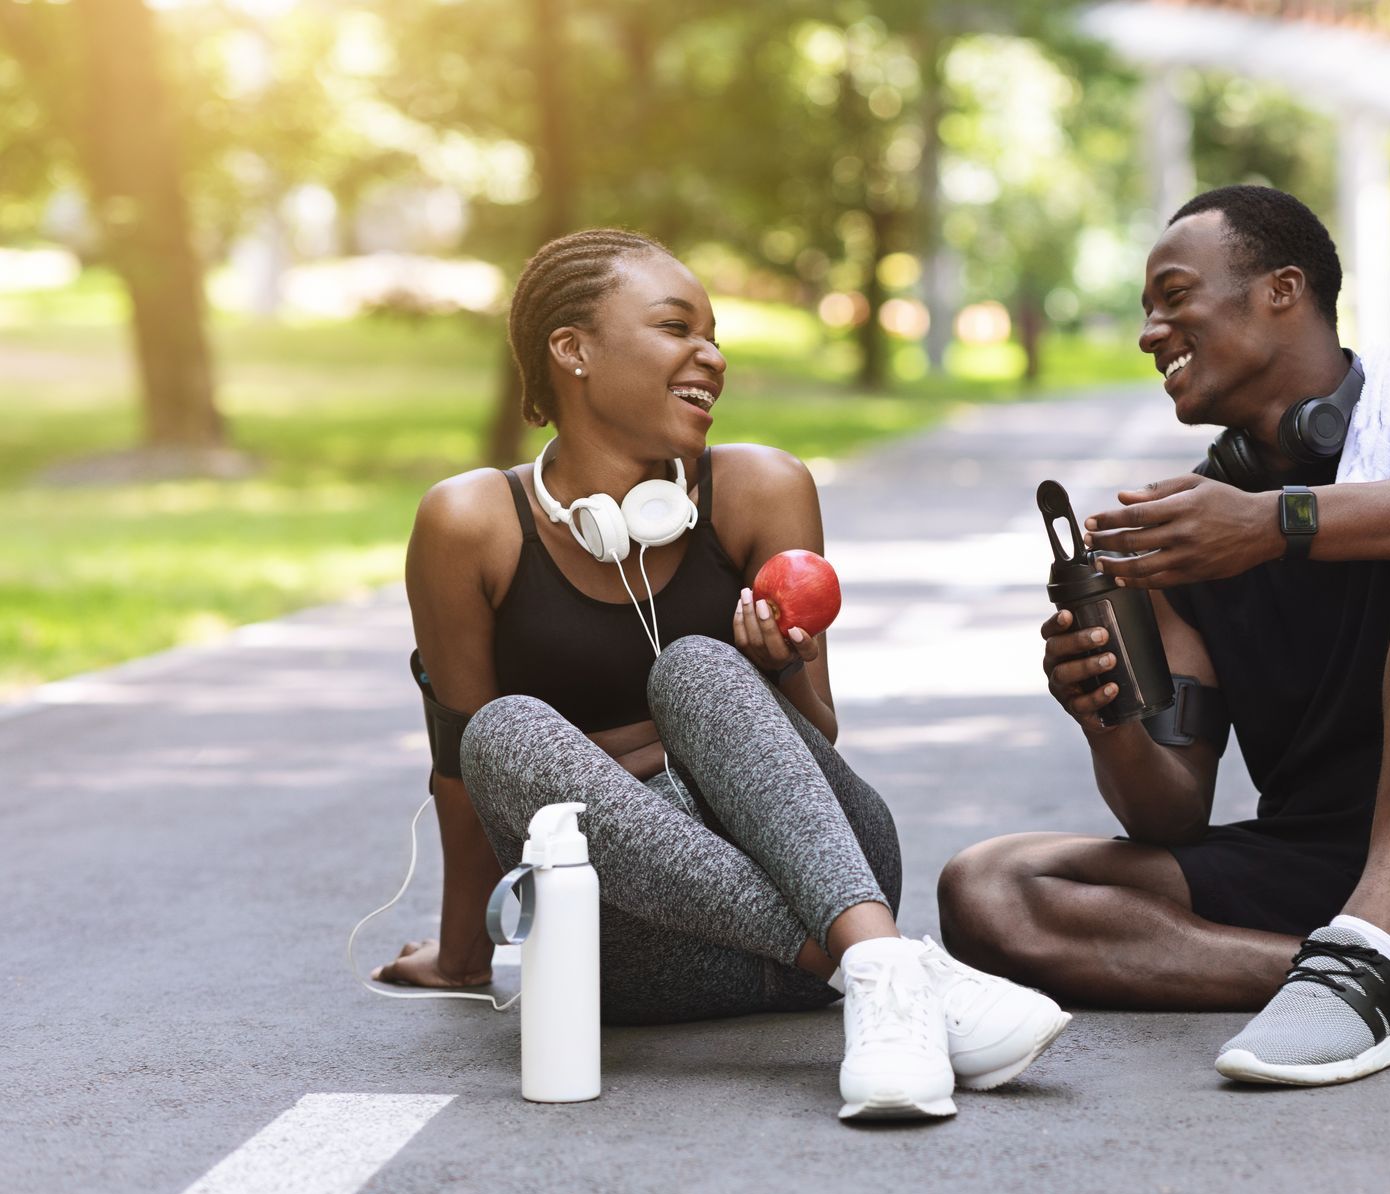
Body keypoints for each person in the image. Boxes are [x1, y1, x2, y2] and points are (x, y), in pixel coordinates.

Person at [939, 186, 1390, 1086]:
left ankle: (1377, 943)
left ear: (1283, 288)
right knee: (990, 890)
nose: (1152, 330)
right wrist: (1106, 718)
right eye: (1146, 311)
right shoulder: (1190, 531)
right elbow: (1170, 814)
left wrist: (1279, 524)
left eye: (1175, 296)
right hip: (1328, 866)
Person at [375, 228, 1068, 1120]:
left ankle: (868, 956)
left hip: (829, 879)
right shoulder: (470, 523)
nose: (713, 355)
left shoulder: (761, 489)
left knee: (699, 666)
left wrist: (776, 672)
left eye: (714, 333)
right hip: (637, 943)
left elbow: (814, 738)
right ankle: (888, 971)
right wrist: (462, 954)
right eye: (675, 328)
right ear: (572, 349)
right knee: (500, 734)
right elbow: (465, 777)